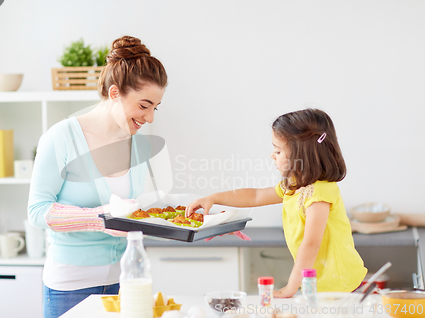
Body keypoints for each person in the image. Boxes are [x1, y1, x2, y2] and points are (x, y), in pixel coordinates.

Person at [27, 35, 168, 318]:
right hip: (70, 287)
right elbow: (38, 211)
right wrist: (101, 218)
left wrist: (203, 220)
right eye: (144, 105)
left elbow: (138, 209)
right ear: (115, 93)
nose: (150, 117)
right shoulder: (61, 137)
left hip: (124, 284)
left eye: (155, 107)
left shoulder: (137, 144)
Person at [186, 108, 367, 297]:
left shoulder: (319, 193)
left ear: (302, 154)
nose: (272, 155)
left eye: (278, 150)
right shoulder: (294, 185)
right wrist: (213, 198)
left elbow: (311, 244)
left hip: (341, 285)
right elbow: (255, 196)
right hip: (319, 284)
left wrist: (290, 287)